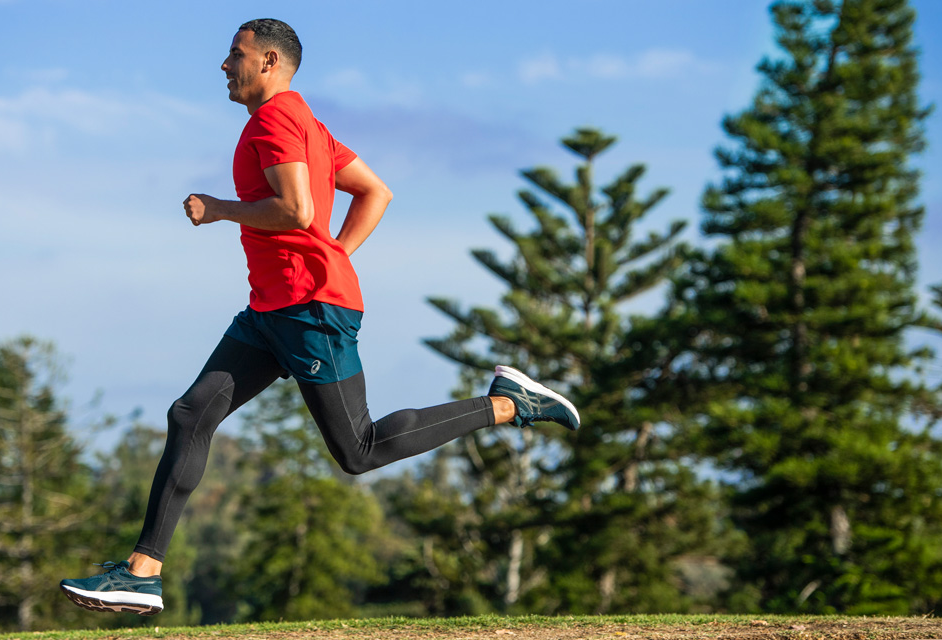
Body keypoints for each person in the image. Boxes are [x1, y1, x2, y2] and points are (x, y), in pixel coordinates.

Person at [59, 18, 580, 616]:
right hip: (270, 310)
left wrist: (219, 209)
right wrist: (334, 255)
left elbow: (297, 209)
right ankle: (142, 572)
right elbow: (375, 192)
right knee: (190, 414)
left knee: (358, 451)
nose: (225, 65)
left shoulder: (276, 119)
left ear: (270, 61)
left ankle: (508, 403)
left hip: (309, 313)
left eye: (236, 55)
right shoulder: (307, 122)